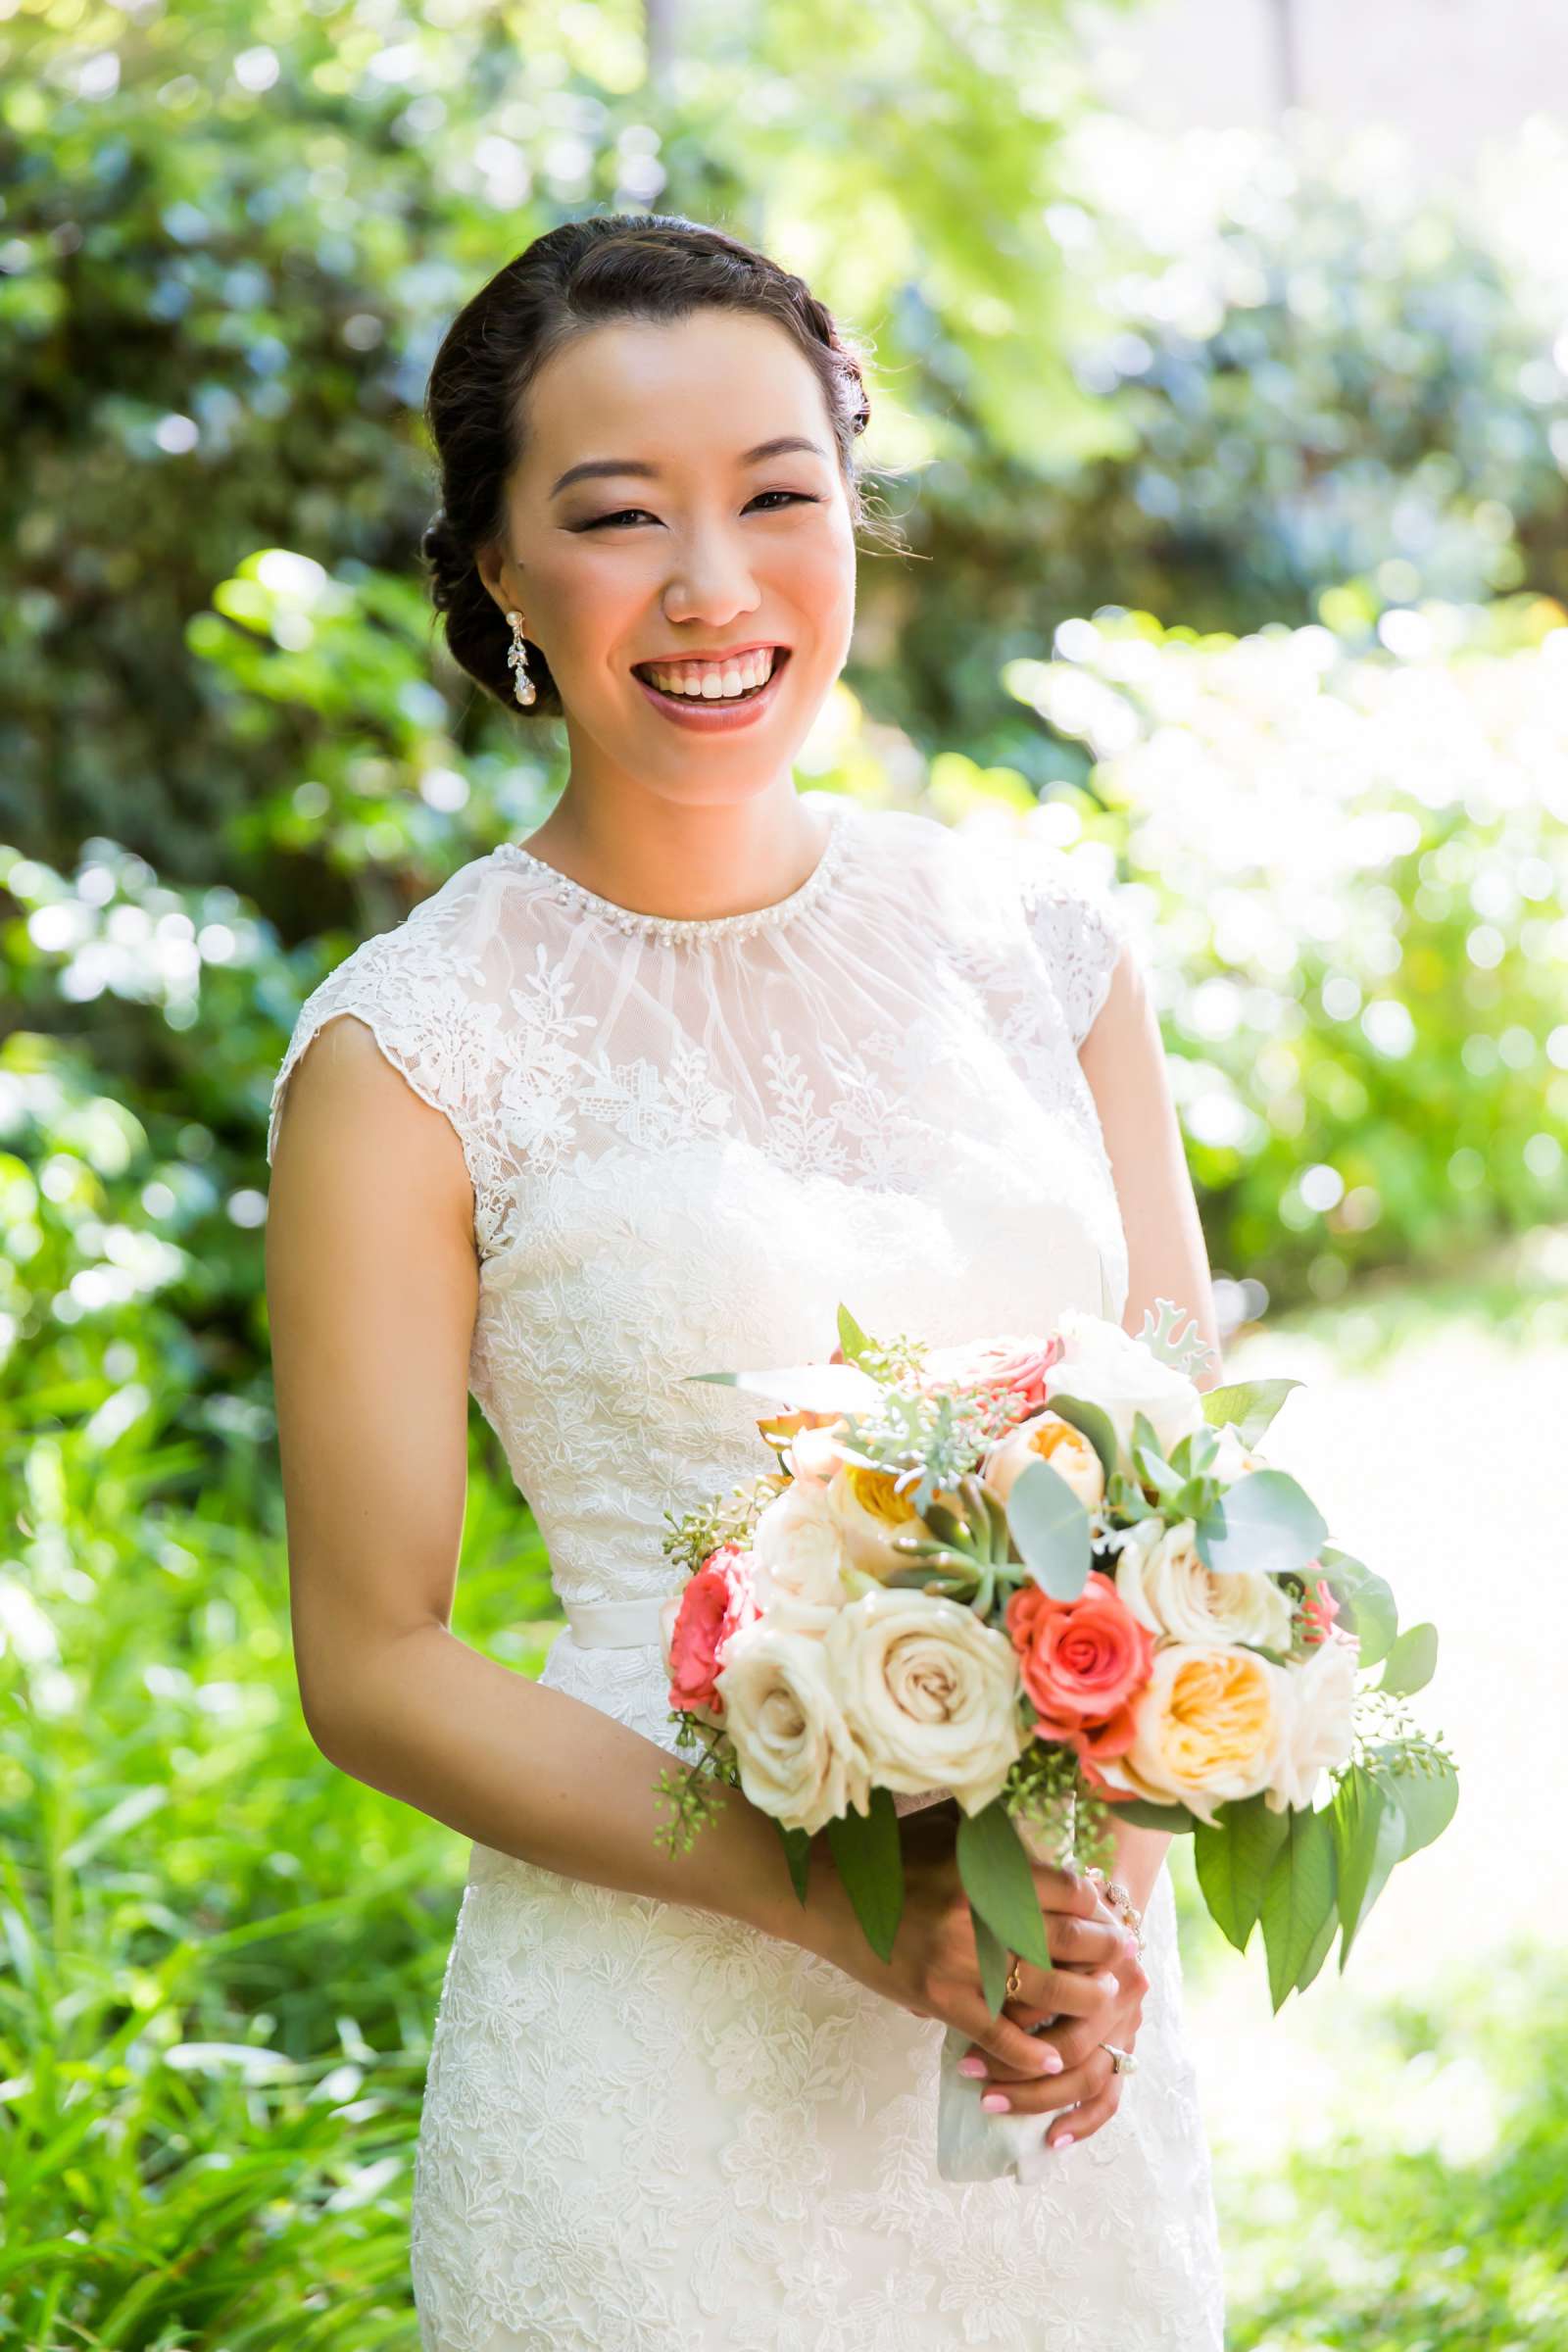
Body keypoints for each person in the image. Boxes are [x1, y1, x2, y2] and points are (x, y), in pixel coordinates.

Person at [264, 213, 1228, 2350]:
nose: (713, 586)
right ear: (501, 571)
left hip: (1056, 2039)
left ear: (850, 512)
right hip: (655, 2063)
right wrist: (857, 1910)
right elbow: (374, 1660)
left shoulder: (1041, 955)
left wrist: (1083, 1930)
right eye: (616, 519)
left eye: (776, 498)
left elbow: (1188, 1512)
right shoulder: (408, 1054)